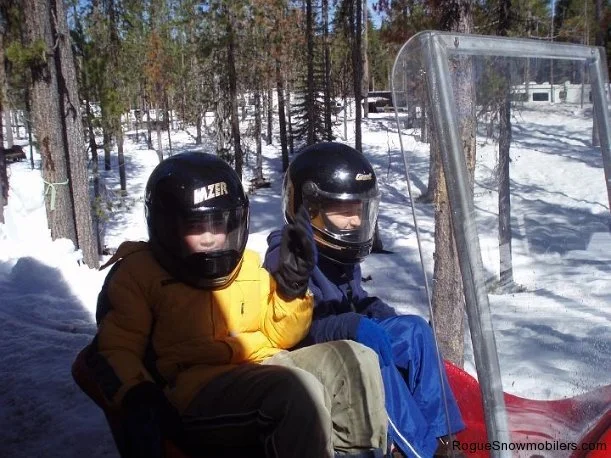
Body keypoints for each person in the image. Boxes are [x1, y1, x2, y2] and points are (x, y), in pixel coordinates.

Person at [85, 152, 387, 458]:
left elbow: (280, 337)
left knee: (355, 360)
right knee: (295, 391)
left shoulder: (247, 266)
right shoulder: (139, 273)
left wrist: (292, 289)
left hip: (263, 367)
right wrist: (136, 394)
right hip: (195, 390)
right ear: (167, 226)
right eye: (195, 226)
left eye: (218, 225)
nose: (208, 238)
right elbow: (115, 348)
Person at [264, 142, 466, 458]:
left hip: (345, 337)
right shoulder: (289, 256)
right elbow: (291, 332)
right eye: (345, 211)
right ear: (310, 209)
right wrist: (352, 324)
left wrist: (376, 312)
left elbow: (353, 300)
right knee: (371, 352)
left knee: (414, 330)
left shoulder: (338, 253)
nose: (356, 221)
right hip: (312, 359)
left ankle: (444, 439)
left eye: (359, 210)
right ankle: (418, 450)